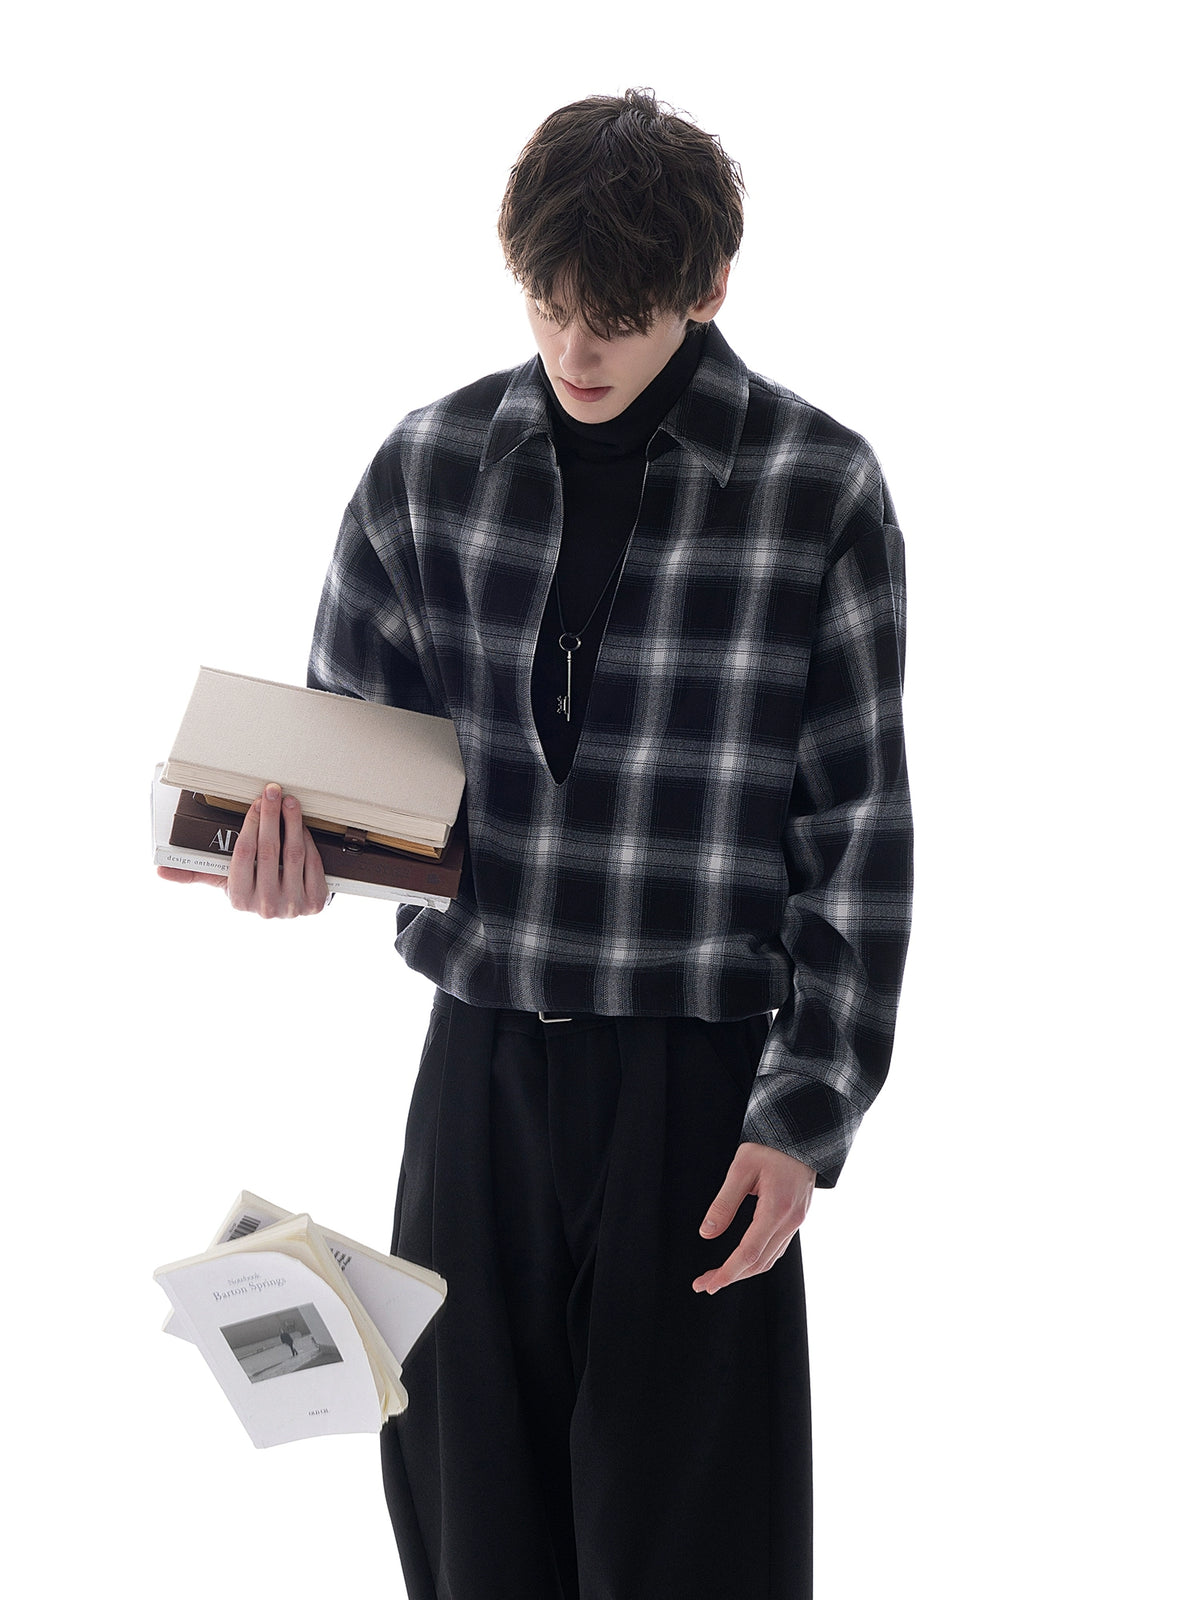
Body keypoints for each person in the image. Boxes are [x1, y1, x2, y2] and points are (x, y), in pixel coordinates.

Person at [159, 87, 913, 1600]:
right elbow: (355, 766)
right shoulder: (429, 466)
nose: (576, 349)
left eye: (617, 319)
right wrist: (292, 863)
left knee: (694, 1548)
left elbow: (858, 833)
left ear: (708, 288)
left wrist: (804, 1115)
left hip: (698, 1089)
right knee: (471, 1530)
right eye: (551, 307)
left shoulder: (817, 489)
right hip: (480, 1072)